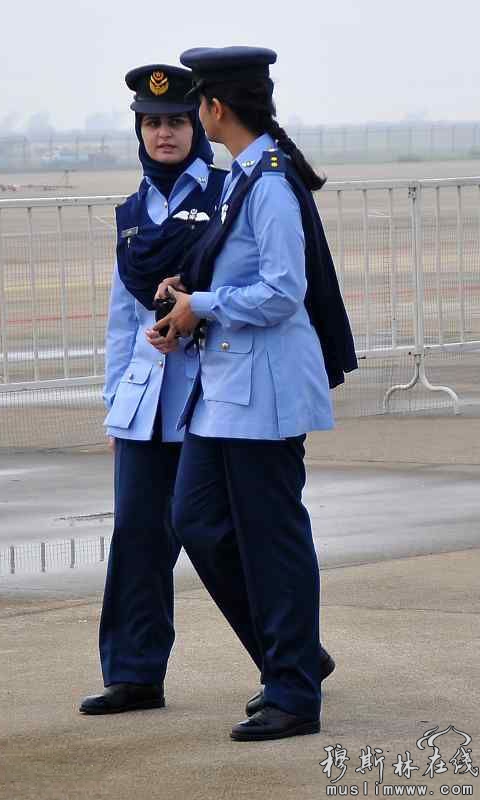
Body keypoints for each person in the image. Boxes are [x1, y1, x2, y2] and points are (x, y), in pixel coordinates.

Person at [149, 46, 357, 741]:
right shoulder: (244, 174)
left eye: (195, 104)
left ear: (214, 107)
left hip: (262, 395)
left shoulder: (266, 181)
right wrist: (190, 295)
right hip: (226, 391)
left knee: (273, 541)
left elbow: (280, 292)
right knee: (197, 521)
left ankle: (293, 691)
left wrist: (202, 304)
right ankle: (292, 652)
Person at [79, 64, 227, 715]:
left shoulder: (227, 195)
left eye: (175, 121)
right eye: (152, 122)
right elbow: (121, 324)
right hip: (144, 404)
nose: (164, 132)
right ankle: (134, 674)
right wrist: (116, 408)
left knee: (224, 535)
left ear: (197, 125)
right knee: (137, 536)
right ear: (139, 130)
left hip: (211, 394)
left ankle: (290, 658)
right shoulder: (133, 214)